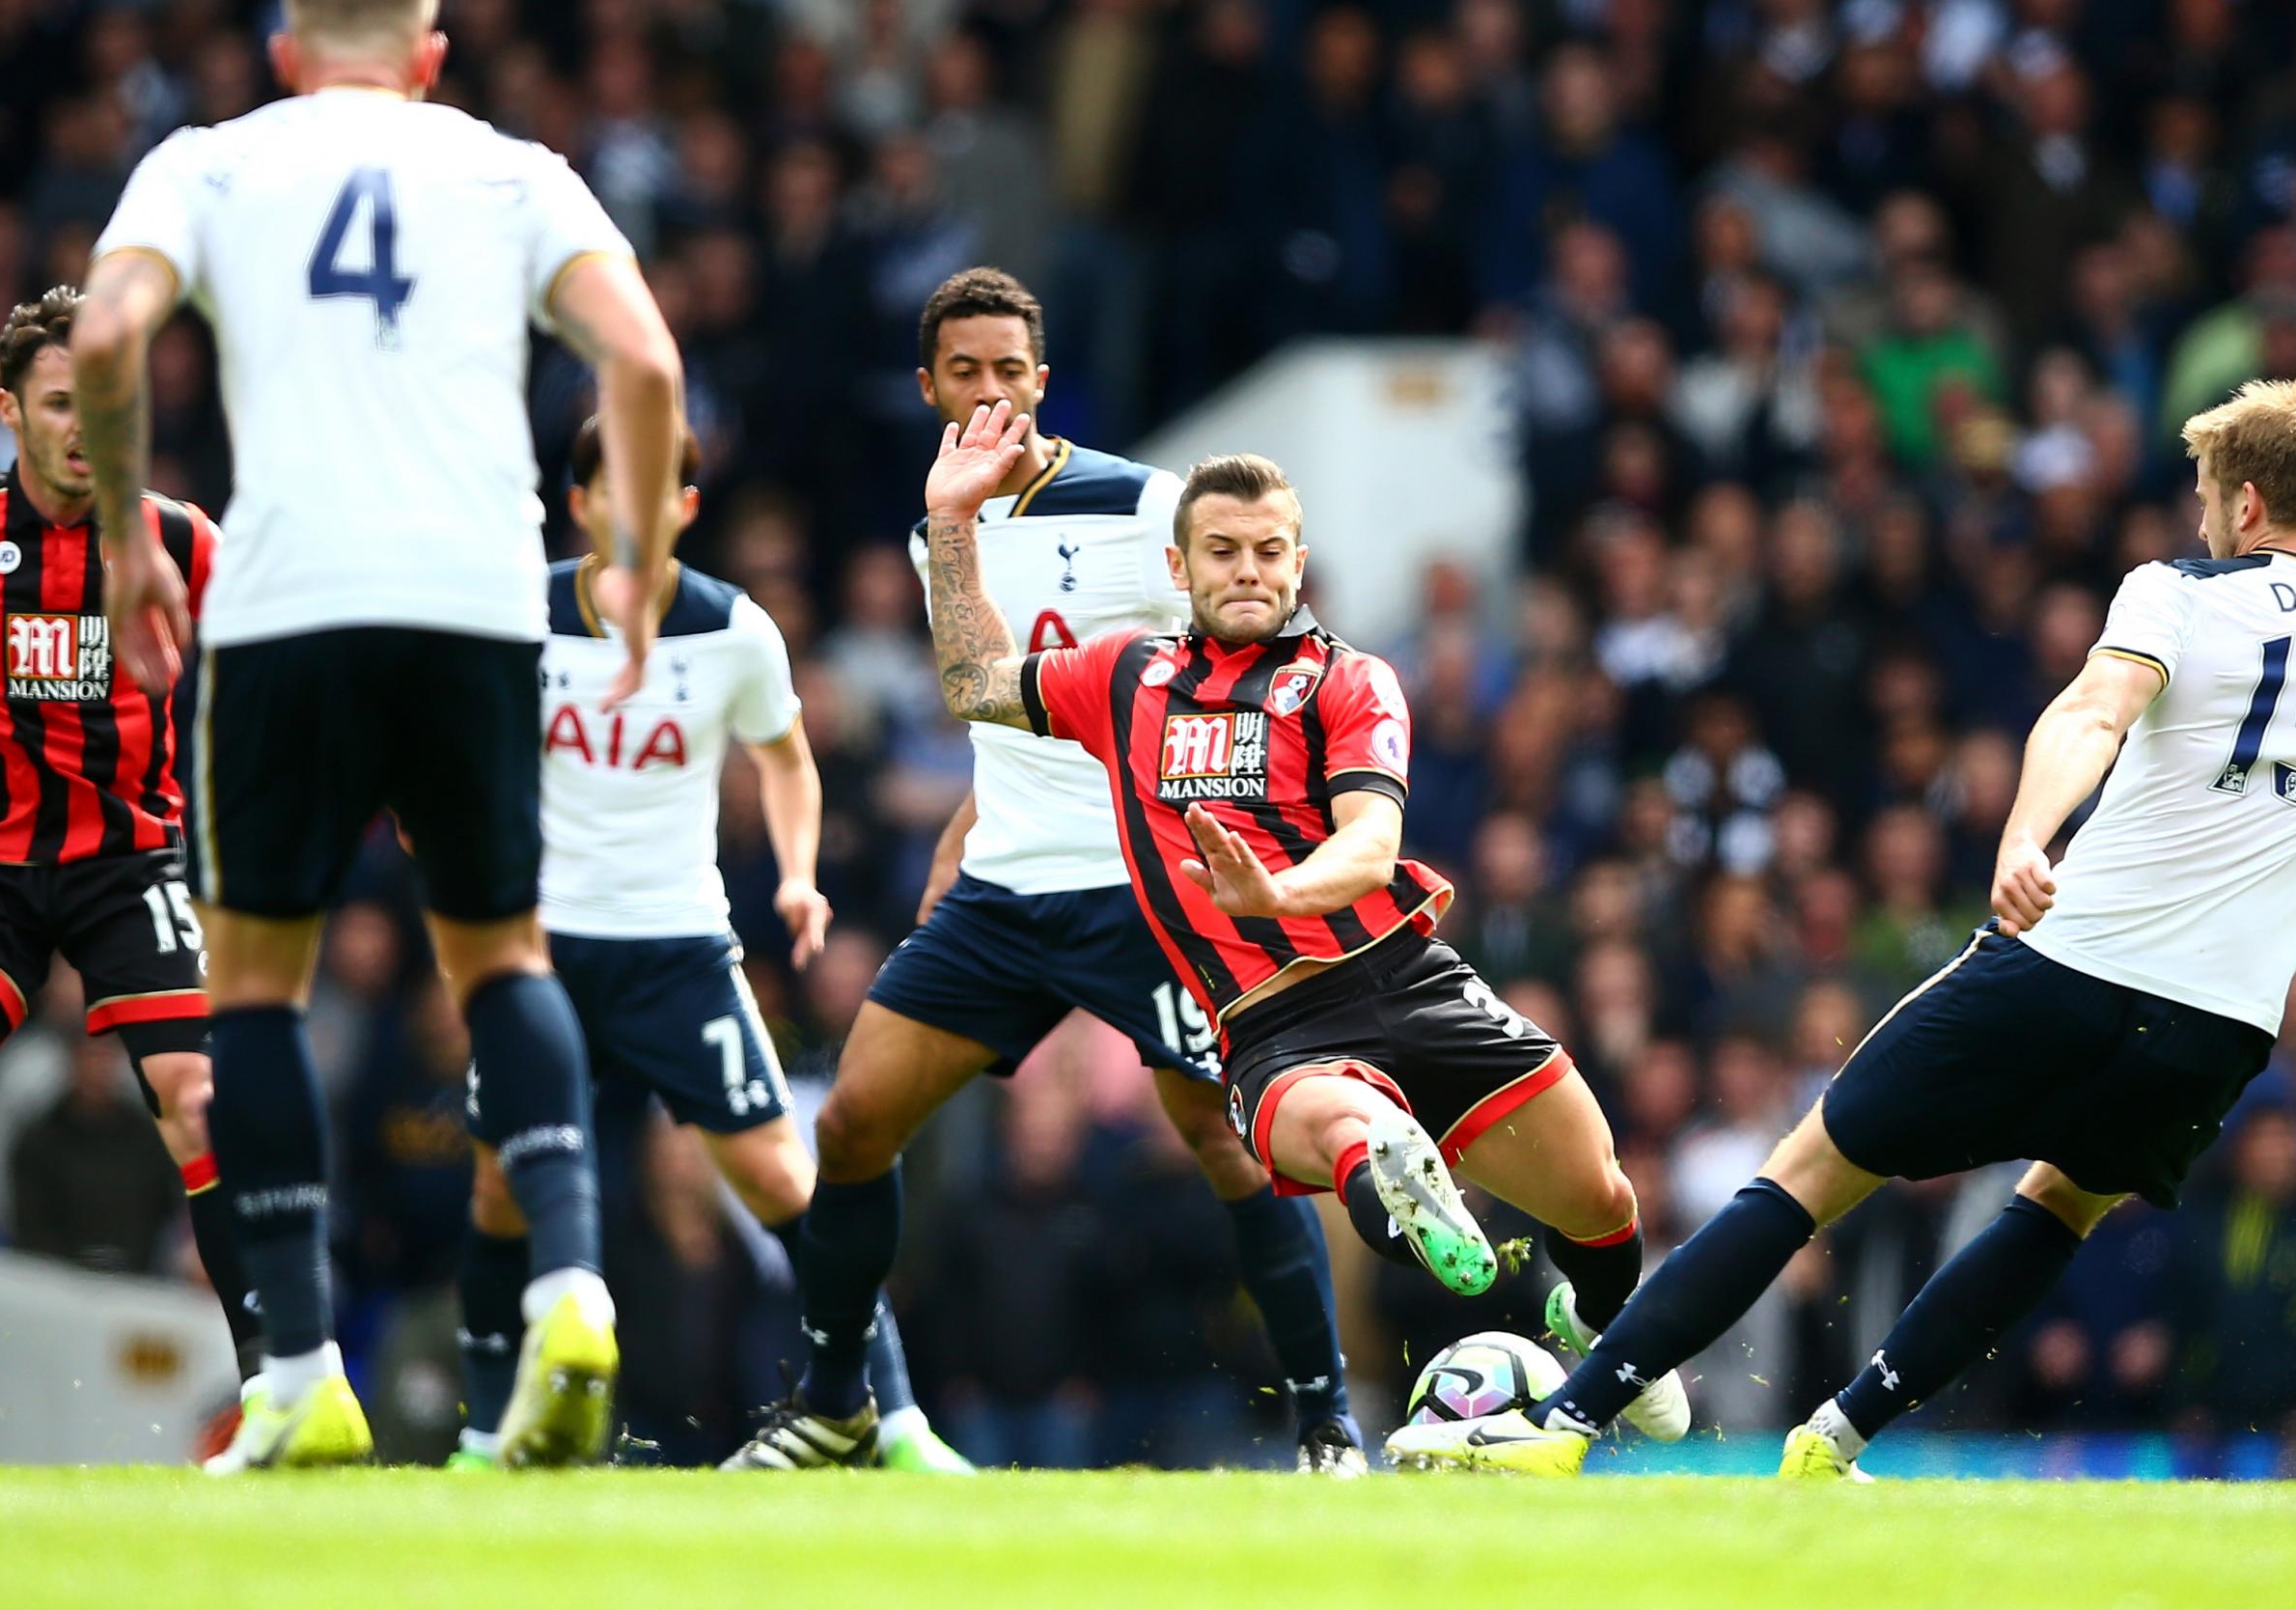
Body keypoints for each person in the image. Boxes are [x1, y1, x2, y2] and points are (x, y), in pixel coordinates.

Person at [1386, 377, 2296, 1477]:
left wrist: (2024, 838)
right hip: (2220, 1027)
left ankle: (1562, 1426)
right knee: (2059, 1204)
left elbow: (2092, 709)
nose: (2197, 520)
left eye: (2201, 497)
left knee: (1806, 1170)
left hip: (2073, 961)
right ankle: (1834, 1441)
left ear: (2243, 503)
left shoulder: (2180, 591)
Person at [757, 403, 1692, 1469]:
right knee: (1340, 1125)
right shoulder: (1122, 678)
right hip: (1267, 1023)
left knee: (1601, 1196)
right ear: (1178, 563)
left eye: (1266, 550)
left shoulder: (1347, 680)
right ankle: (1389, 1172)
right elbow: (974, 683)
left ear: (1297, 562)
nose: (1246, 570)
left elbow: (1372, 844)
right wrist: (951, 524)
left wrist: (1281, 891)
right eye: (1221, 551)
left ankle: (1603, 1316)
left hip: (1406, 979)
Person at [69, 0, 683, 1469]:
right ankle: (566, 1286)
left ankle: (301, 1367)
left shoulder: (211, 162)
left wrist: (138, 535)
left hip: (288, 609)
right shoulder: (516, 170)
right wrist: (634, 570)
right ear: (429, 59)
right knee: (500, 956)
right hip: (478, 600)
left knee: (259, 987)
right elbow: (649, 363)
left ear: (284, 54)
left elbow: (109, 332)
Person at [736, 269, 1364, 1475]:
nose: (988, 394)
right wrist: (953, 852)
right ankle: (833, 1403)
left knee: (1231, 1141)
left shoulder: (1146, 507)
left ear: (1040, 377)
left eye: (1009, 371)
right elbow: (1006, 717)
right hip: (1007, 891)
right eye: (962, 373)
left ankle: (1329, 1424)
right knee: (858, 1123)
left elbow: (1258, 642)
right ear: (927, 388)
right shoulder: (940, 529)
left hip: (1145, 891)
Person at [449, 417, 965, 1474]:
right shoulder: (519, 615)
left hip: (676, 951)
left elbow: (786, 761)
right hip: (539, 948)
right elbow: (458, 742)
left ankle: (898, 1419)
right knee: (500, 1186)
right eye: (611, 489)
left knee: (784, 1179)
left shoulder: (733, 630)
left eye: (658, 491)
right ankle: (480, 1431)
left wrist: (793, 874)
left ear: (687, 505)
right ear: (581, 500)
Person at [0, 289, 260, 1403]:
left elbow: (281, 671)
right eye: (58, 402)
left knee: (198, 1097)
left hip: (128, 862)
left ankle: (277, 1381)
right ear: (11, 411)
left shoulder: (182, 543)